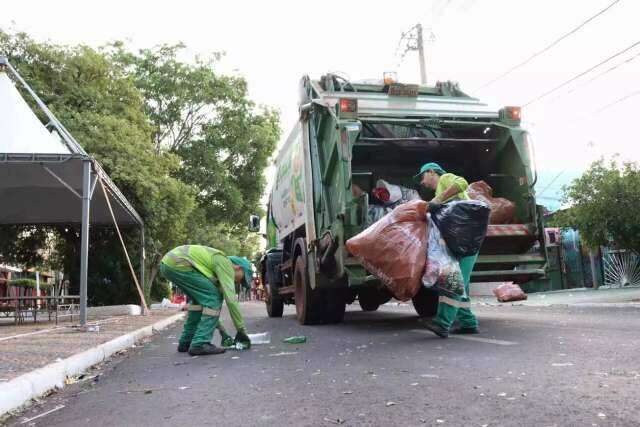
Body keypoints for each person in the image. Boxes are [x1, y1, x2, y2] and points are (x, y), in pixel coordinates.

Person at [414, 162, 480, 338]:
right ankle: (468, 323)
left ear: (431, 172)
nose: (422, 182)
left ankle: (442, 323)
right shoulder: (441, 190)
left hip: (466, 242)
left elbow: (462, 182)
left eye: (423, 177)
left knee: (453, 281)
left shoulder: (445, 178)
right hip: (465, 241)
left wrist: (438, 199)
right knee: (461, 284)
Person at [160, 245, 253, 355]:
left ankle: (186, 342)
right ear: (238, 267)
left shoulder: (216, 268)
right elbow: (230, 299)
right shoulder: (225, 262)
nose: (238, 283)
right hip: (180, 263)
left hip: (169, 264)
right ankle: (200, 344)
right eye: (241, 279)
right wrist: (241, 329)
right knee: (214, 298)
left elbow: (206, 307)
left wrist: (222, 331)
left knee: (197, 304)